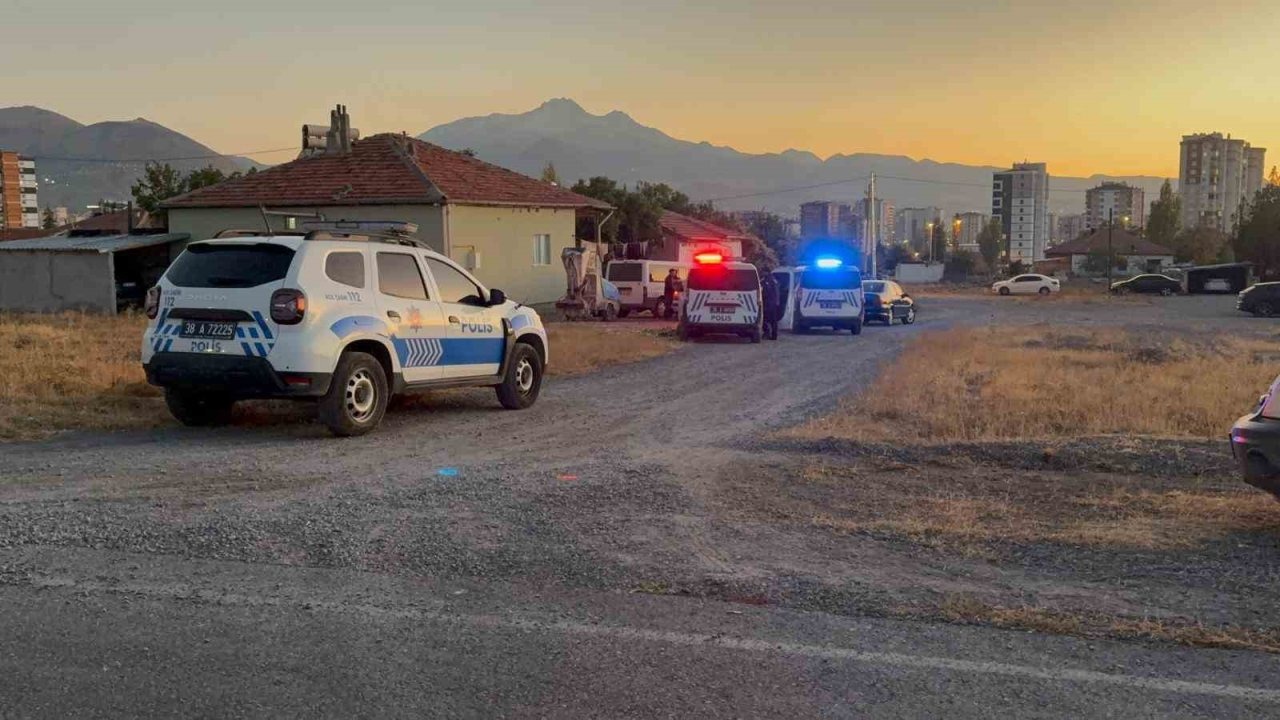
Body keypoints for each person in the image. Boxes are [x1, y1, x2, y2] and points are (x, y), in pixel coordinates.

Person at [760, 270, 780, 340]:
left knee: (767, 319)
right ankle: (770, 334)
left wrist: (777, 301)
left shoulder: (769, 281)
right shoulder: (768, 280)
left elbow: (775, 291)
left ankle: (770, 334)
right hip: (770, 303)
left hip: (769, 303)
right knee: (769, 320)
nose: (762, 273)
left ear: (767, 272)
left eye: (763, 272)